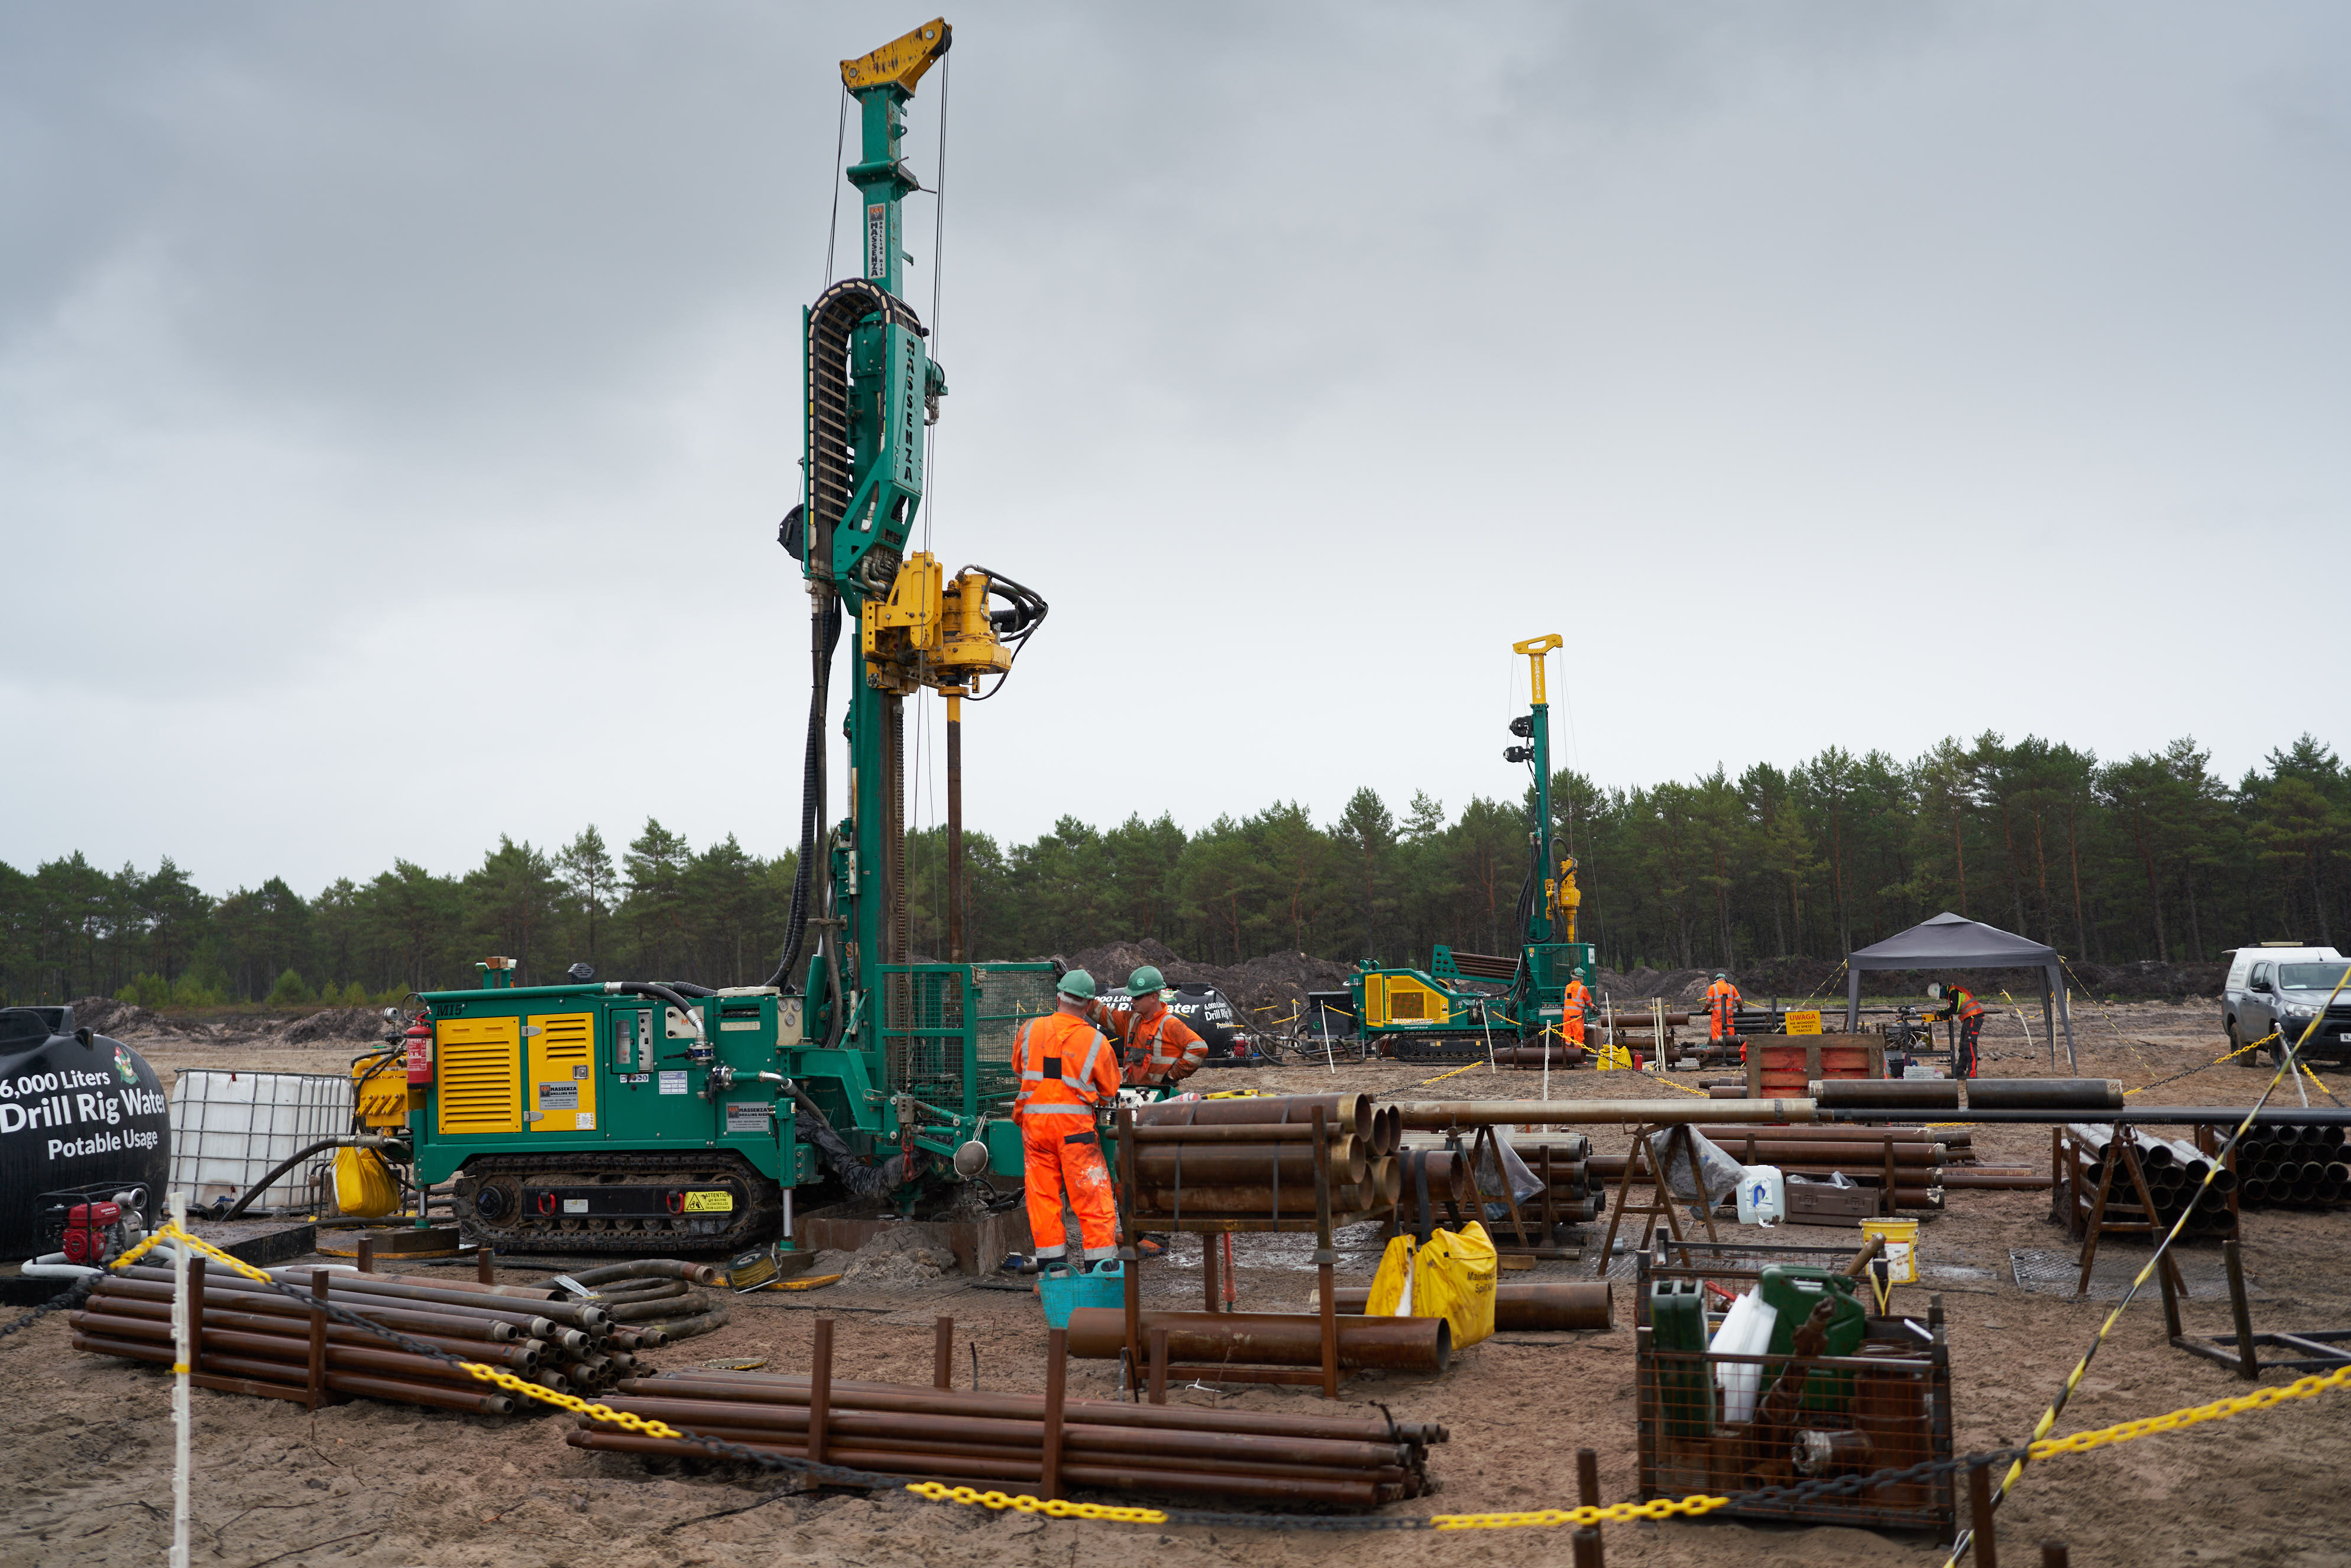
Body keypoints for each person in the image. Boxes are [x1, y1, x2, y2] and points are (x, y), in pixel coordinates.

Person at [1007, 969, 1123, 1274]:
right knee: (1092, 1200)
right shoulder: (1096, 1041)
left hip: (1035, 1131)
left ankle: (1053, 1273)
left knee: (1043, 1201)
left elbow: (1020, 1070)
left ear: (1058, 997)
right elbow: (1110, 1090)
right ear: (1088, 1005)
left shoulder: (1029, 1030)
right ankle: (1100, 1273)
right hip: (1076, 1134)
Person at [1089, 965, 1208, 1089]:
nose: (1132, 1001)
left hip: (1161, 1098)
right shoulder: (1132, 1020)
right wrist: (1082, 996)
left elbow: (1199, 1047)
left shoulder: (1170, 1024)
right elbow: (1102, 1014)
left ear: (1154, 997)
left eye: (1137, 997)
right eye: (1131, 996)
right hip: (1134, 1092)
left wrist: (1173, 1075)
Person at [1928, 981, 1987, 1078]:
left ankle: (1972, 1074)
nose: (1942, 999)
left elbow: (1953, 1009)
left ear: (1941, 992)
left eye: (1941, 997)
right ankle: (1959, 1071)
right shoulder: (1953, 992)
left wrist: (1939, 1012)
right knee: (1963, 1046)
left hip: (1974, 1018)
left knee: (1970, 1046)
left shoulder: (1954, 992)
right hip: (1969, 1018)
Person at [1559, 967, 1595, 1051]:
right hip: (1576, 1016)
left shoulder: (1568, 987)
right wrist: (1592, 1006)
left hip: (1567, 1015)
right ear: (1581, 978)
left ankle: (1566, 1057)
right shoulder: (1583, 988)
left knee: (1566, 1036)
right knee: (1578, 1037)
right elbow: (1588, 1000)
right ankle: (1578, 1058)